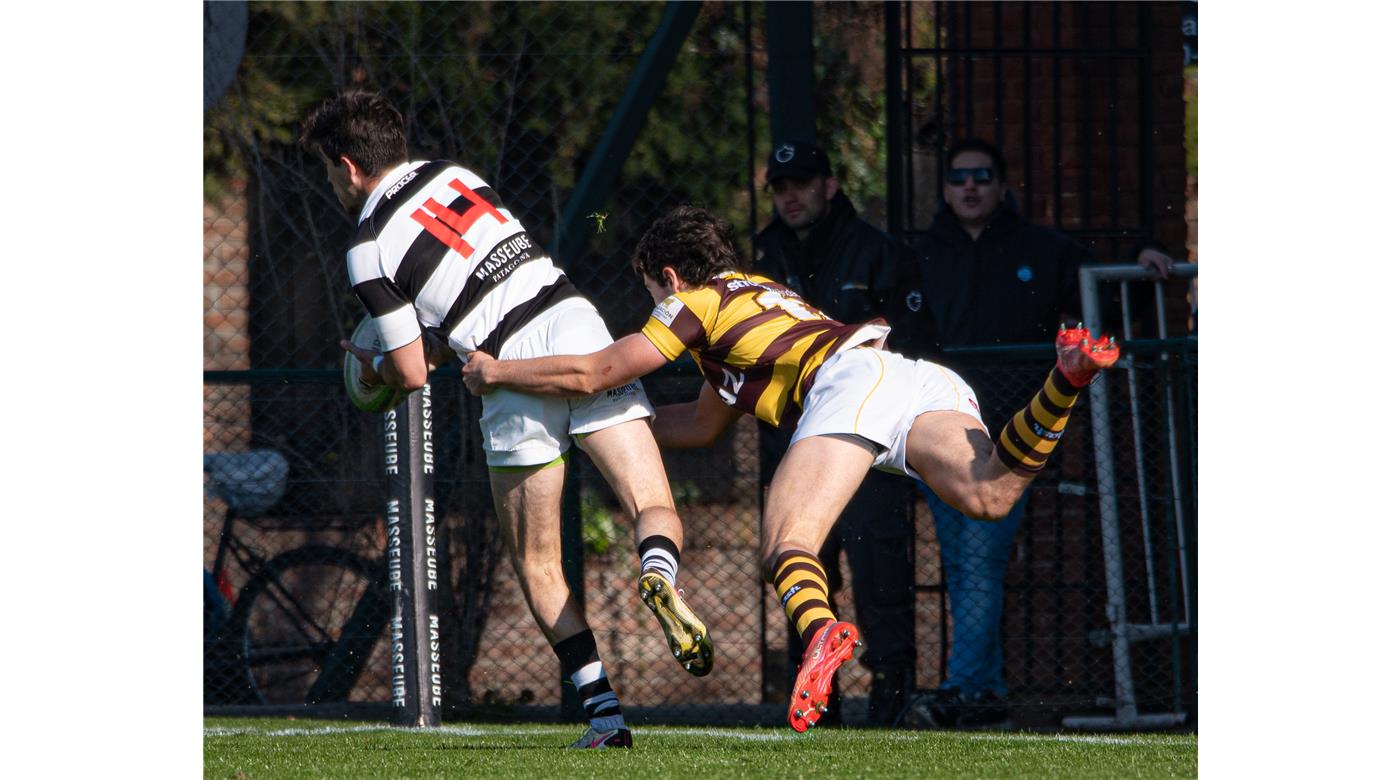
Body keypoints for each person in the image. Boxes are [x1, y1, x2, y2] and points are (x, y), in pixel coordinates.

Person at [461, 205, 1119, 733]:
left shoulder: (694, 302)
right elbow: (696, 425)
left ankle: (821, 632)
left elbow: (598, 370)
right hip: (907, 376)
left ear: (668, 276)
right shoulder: (752, 302)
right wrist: (599, 432)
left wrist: (499, 372)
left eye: (650, 291)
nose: (653, 304)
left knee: (785, 544)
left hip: (850, 382)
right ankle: (1065, 380)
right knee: (991, 493)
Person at [300, 90, 713, 750]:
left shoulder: (368, 247)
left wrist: (370, 369)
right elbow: (475, 291)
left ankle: (606, 718)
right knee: (652, 503)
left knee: (539, 565)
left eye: (328, 169)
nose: (331, 181)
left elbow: (411, 371)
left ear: (347, 166)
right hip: (576, 329)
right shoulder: (456, 177)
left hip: (510, 375)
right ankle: (658, 574)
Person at [888, 137, 1173, 728]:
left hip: (1013, 439)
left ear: (1001, 186)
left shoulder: (1040, 248)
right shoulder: (922, 254)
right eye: (959, 177)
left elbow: (1098, 286)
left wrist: (1142, 253)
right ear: (945, 189)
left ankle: (964, 689)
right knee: (964, 566)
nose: (970, 186)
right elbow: (904, 337)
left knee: (978, 562)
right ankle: (983, 689)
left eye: (981, 176)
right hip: (939, 433)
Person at [752, 140, 916, 726]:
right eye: (779, 187)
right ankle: (817, 707)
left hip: (867, 445)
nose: (789, 197)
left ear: (829, 185)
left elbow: (915, 347)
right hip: (790, 441)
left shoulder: (878, 252)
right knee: (798, 568)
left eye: (801, 184)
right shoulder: (761, 259)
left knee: (880, 578)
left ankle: (893, 705)